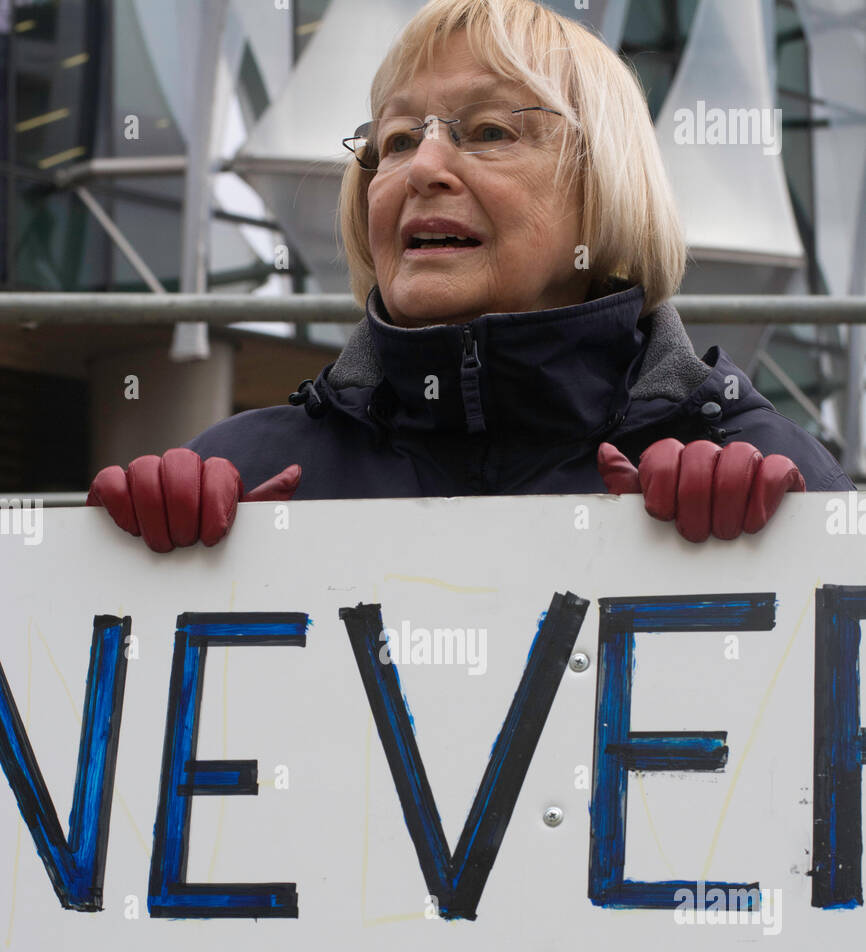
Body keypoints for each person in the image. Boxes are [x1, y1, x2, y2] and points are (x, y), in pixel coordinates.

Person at [87, 0, 853, 551]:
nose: (422, 168)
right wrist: (143, 568)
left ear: (605, 187)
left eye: (488, 132)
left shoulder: (768, 479)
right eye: (394, 140)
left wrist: (765, 560)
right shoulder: (247, 476)